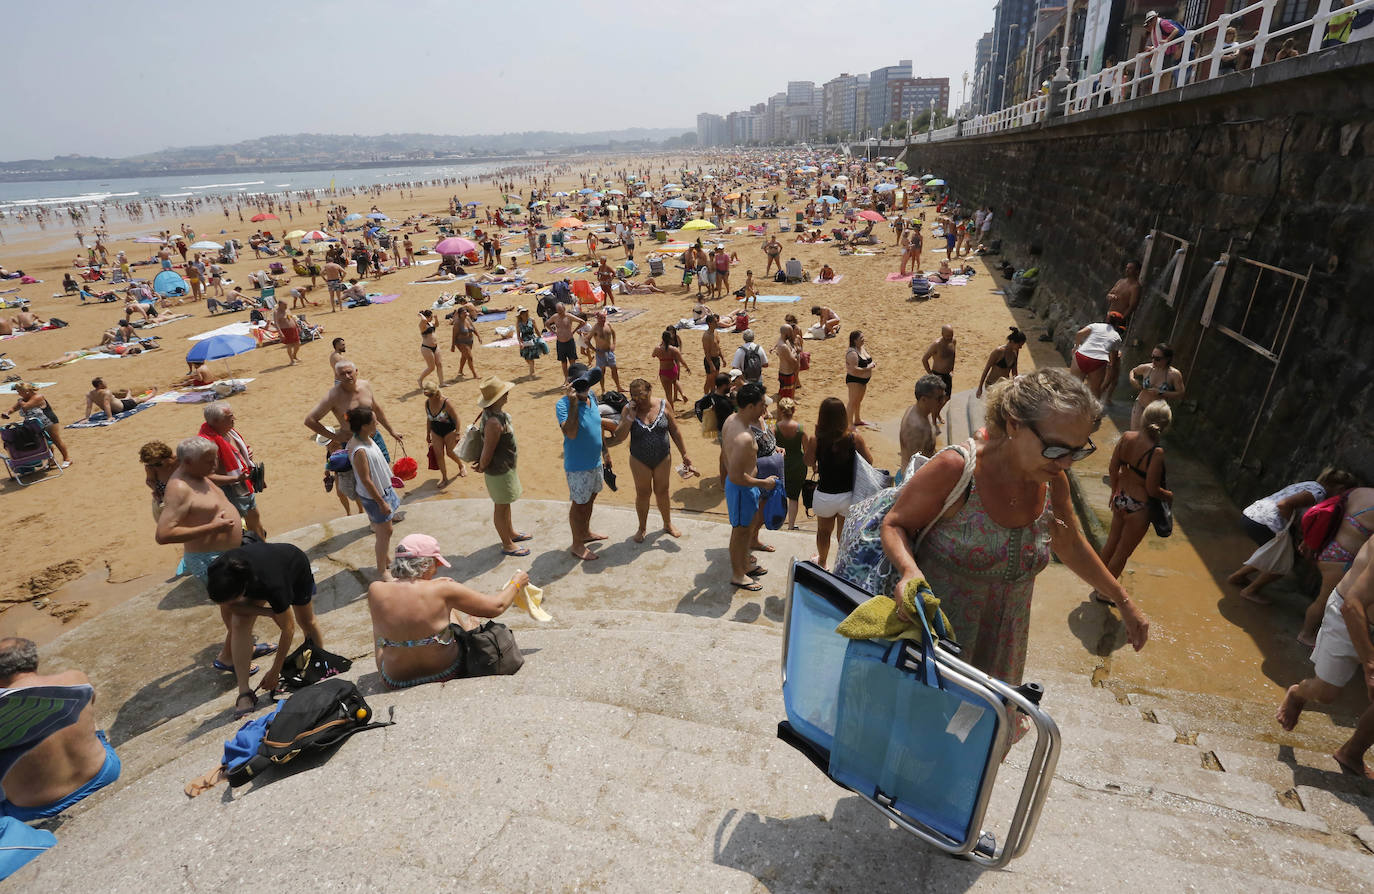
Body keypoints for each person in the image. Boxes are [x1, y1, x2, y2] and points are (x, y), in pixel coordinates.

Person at [838, 368, 1149, 689]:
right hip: (934, 650)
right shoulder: (957, 470)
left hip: (1002, 659)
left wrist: (1123, 600)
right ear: (1014, 423)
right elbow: (895, 523)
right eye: (1056, 449)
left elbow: (1069, 544)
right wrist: (909, 571)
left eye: (1078, 451)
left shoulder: (1054, 482)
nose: (1066, 463)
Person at [367, 534, 529, 689]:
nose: (437, 570)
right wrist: (516, 583)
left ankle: (390, 666)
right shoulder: (443, 589)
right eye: (436, 563)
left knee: (381, 632)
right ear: (426, 564)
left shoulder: (376, 590)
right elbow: (496, 607)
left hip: (394, 679)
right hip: (446, 671)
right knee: (447, 608)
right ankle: (468, 628)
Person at [1276, 536, 1374, 778]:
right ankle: (1298, 693)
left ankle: (1351, 753)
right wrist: (1370, 665)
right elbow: (1352, 606)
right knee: (1327, 693)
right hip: (1348, 616)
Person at [0, 638, 121, 820]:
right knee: (85, 717)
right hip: (103, 773)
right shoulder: (75, 678)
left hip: (35, 808)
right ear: (34, 660)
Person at [205, 542, 325, 718]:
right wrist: (268, 612)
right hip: (254, 576)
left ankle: (320, 662)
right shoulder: (217, 569)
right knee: (239, 623)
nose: (227, 605)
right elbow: (232, 608)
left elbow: (288, 629)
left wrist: (275, 671)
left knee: (306, 622)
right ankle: (244, 692)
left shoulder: (273, 584)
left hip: (294, 566)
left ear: (243, 591)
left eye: (232, 600)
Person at [1228, 469, 1357, 603]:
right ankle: (1250, 590)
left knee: (1272, 554)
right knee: (1285, 561)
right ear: (1340, 489)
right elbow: (1284, 504)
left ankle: (1238, 577)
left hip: (1251, 515)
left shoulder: (1311, 485)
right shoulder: (1318, 493)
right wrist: (1294, 528)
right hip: (1265, 522)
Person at [1096, 401, 1174, 604]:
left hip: (1121, 498)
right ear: (1165, 425)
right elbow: (1152, 489)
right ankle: (1105, 592)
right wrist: (1169, 495)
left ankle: (1097, 580)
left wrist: (1114, 491)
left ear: (1143, 417)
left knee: (1111, 542)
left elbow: (1113, 469)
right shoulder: (1156, 453)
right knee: (1123, 551)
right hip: (1139, 506)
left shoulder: (1127, 437)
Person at [607, 378, 694, 543]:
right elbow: (619, 436)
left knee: (662, 491)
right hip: (639, 458)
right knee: (643, 493)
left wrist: (684, 453)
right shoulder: (628, 409)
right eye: (634, 396)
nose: (637, 400)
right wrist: (629, 418)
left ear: (650, 391)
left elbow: (674, 429)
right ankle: (642, 527)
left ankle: (667, 523)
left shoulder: (663, 404)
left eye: (641, 396)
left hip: (662, 456)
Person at [721, 382, 778, 591]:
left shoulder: (731, 420)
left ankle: (744, 565)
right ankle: (738, 574)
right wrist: (764, 483)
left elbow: (724, 454)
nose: (765, 409)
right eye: (762, 405)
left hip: (742, 489)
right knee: (740, 532)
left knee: (745, 530)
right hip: (741, 489)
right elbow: (737, 477)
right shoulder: (744, 438)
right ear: (750, 406)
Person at [806, 397, 874, 569]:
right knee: (843, 534)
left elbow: (807, 461)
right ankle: (841, 564)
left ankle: (822, 561)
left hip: (825, 495)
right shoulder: (854, 439)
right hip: (848, 495)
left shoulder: (816, 439)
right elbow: (869, 461)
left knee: (823, 532)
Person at [556, 363, 615, 561]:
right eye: (579, 384)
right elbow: (570, 433)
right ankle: (576, 544)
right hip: (578, 467)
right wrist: (573, 403)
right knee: (578, 504)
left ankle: (586, 532)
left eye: (586, 383)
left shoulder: (591, 397)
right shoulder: (563, 405)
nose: (584, 387)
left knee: (591, 498)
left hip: (595, 462)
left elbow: (597, 427)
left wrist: (605, 452)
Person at [347, 406, 406, 580]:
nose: (377, 422)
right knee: (384, 533)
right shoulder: (359, 450)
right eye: (374, 421)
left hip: (383, 490)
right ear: (364, 426)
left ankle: (386, 559)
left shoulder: (366, 437)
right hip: (376, 496)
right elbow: (365, 479)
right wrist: (381, 502)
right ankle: (382, 571)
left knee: (385, 531)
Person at [473, 377, 530, 555]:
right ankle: (507, 544)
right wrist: (482, 466)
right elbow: (488, 450)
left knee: (505, 503)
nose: (507, 394)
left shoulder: (495, 416)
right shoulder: (494, 423)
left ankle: (511, 533)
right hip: (499, 471)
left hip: (505, 468)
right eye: (503, 393)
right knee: (501, 505)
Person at [199, 402, 267, 540]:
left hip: (242, 487)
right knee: (236, 528)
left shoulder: (229, 432)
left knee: (254, 519)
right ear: (216, 421)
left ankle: (262, 548)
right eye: (229, 416)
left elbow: (238, 455)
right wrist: (236, 479)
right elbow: (207, 476)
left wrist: (246, 454)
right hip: (229, 491)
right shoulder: (208, 445)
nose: (234, 418)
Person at [2, 382, 71, 468]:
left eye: (19, 391)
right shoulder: (23, 400)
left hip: (48, 421)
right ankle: (51, 460)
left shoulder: (38, 397)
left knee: (56, 440)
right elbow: (13, 408)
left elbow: (25, 407)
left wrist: (20, 401)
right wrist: (7, 412)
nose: (18, 393)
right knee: (44, 442)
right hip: (34, 425)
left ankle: (67, 459)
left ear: (27, 391)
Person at [1127, 343, 1186, 431]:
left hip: (1157, 411)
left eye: (1157, 359)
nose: (1153, 361)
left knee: (1150, 437)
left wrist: (1161, 392)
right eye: (1152, 357)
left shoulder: (1174, 374)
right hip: (1141, 404)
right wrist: (1132, 380)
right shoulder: (1147, 367)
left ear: (1167, 359)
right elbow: (1133, 371)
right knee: (1134, 432)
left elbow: (1180, 393)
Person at [899, 374, 948, 474]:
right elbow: (916, 468)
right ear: (924, 399)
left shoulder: (919, 411)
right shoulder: (917, 429)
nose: (942, 401)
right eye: (939, 398)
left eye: (944, 396)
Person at [774, 397, 810, 529]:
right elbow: (807, 452)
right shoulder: (800, 429)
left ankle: (777, 523)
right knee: (794, 497)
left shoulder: (775, 428)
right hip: (798, 465)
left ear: (780, 410)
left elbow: (771, 448)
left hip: (780, 464)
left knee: (780, 494)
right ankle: (791, 525)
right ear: (794, 410)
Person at [421, 380, 465, 485]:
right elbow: (429, 419)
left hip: (449, 430)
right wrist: (428, 434)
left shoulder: (446, 403)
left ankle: (461, 465)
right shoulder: (427, 403)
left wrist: (458, 433)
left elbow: (456, 418)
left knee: (450, 453)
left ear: (435, 393)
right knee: (439, 454)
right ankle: (444, 478)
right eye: (426, 395)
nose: (428, 397)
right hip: (436, 431)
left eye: (429, 395)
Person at [1070, 318, 1122, 401]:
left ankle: (1069, 409)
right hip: (1098, 361)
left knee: (1073, 387)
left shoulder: (1096, 325)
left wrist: (1076, 346)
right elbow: (1113, 360)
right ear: (1117, 325)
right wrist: (1111, 364)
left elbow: (1079, 333)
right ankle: (1093, 413)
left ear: (1106, 320)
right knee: (1094, 391)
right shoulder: (1117, 337)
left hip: (1081, 355)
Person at [81, 377, 156, 421]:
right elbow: (106, 404)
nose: (106, 383)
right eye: (104, 382)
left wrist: (87, 418)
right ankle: (151, 395)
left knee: (121, 400)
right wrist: (110, 417)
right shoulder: (106, 392)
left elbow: (89, 407)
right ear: (100, 384)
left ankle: (128, 395)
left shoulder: (89, 394)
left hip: (115, 407)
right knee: (138, 399)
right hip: (121, 407)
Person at [844, 330, 877, 429]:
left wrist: (870, 365)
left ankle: (857, 420)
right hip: (854, 380)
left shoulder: (861, 348)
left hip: (863, 380)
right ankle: (849, 424)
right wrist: (869, 367)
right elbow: (854, 369)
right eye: (861, 338)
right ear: (854, 341)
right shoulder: (852, 353)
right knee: (852, 401)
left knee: (858, 400)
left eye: (863, 337)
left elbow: (866, 360)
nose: (863, 340)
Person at [653, 327, 689, 409]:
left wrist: (659, 345)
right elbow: (682, 361)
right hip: (673, 369)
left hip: (663, 371)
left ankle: (672, 411)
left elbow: (653, 355)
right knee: (675, 381)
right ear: (670, 339)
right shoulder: (674, 349)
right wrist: (687, 368)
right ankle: (682, 393)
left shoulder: (658, 348)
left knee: (668, 394)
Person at [550, 302, 586, 382]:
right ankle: (566, 379)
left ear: (564, 309)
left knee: (572, 361)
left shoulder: (569, 316)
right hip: (560, 342)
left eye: (561, 310)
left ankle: (574, 378)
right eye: (558, 311)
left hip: (569, 341)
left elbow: (582, 322)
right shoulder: (555, 317)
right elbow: (547, 323)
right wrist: (553, 332)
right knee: (563, 362)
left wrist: (574, 331)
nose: (560, 312)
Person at [589, 310, 621, 391]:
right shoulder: (595, 328)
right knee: (602, 372)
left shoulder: (608, 324)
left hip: (609, 351)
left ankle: (618, 387)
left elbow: (613, 333)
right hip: (601, 353)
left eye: (604, 318)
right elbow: (587, 340)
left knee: (614, 369)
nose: (603, 319)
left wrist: (613, 343)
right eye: (601, 318)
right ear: (597, 319)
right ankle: (603, 389)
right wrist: (595, 350)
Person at [1106, 261, 1142, 332]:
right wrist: (1111, 296)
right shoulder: (1120, 281)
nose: (1127, 270)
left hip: (1119, 321)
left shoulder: (1135, 287)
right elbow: (1108, 294)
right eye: (1127, 268)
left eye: (1130, 268)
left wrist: (1120, 320)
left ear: (1137, 271)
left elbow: (1132, 307)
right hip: (1109, 316)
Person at [448, 302, 479, 379]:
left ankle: (460, 371)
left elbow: (473, 328)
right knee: (469, 357)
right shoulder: (457, 323)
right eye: (464, 313)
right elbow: (454, 335)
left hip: (470, 341)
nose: (466, 314)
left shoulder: (468, 319)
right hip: (461, 342)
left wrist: (478, 336)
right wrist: (453, 346)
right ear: (459, 314)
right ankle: (475, 374)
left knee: (464, 356)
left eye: (466, 312)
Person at [417, 309, 445, 388]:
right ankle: (420, 379)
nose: (432, 318)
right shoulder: (422, 325)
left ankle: (442, 383)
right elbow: (424, 320)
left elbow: (437, 325)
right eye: (431, 317)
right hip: (426, 348)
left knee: (439, 364)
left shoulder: (430, 323)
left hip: (435, 347)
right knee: (431, 367)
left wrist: (436, 319)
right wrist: (420, 314)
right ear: (426, 317)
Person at [773, 323, 800, 399]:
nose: (792, 334)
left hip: (783, 372)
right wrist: (794, 352)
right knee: (786, 398)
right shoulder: (784, 346)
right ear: (786, 333)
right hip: (787, 374)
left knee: (783, 394)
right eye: (790, 332)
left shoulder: (781, 341)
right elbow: (793, 361)